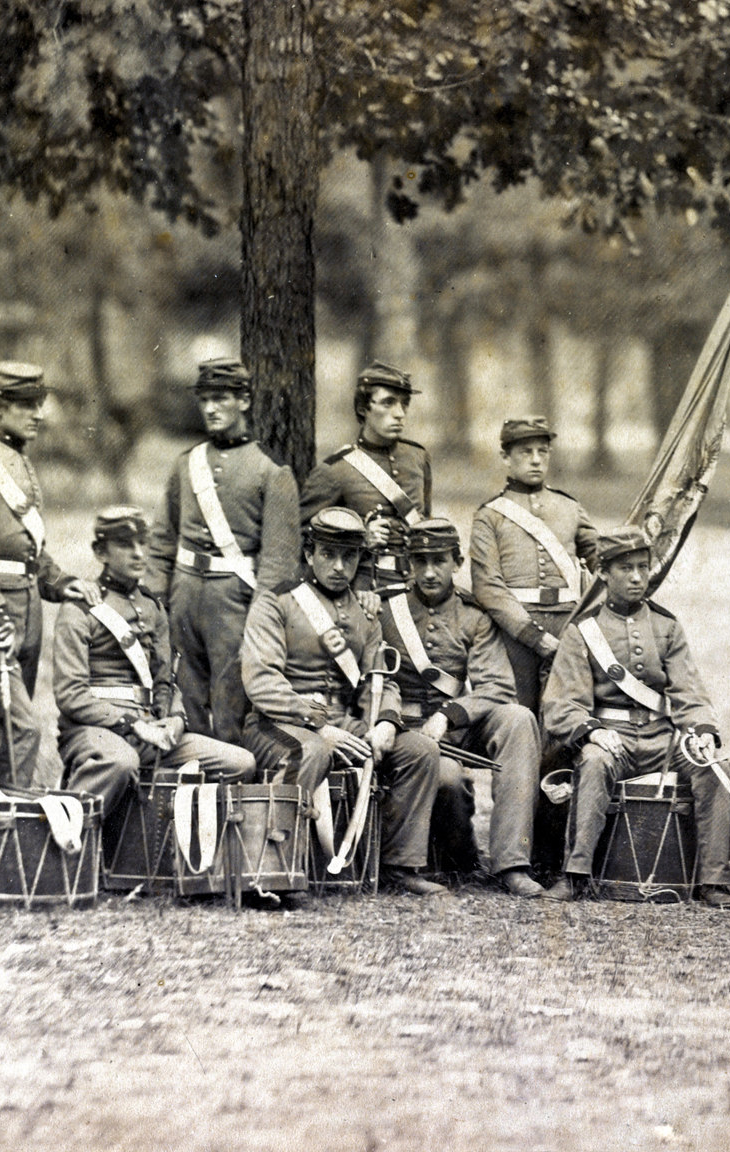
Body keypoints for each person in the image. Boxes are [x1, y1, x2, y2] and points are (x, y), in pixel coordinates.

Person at [239, 507, 446, 896]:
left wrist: (385, 722)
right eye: (328, 554)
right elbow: (261, 682)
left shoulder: (365, 612)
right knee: (311, 751)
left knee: (420, 751)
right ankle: (273, 867)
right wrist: (318, 723)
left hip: (343, 723)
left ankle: (398, 866)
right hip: (277, 723)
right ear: (309, 554)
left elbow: (379, 679)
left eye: (349, 557)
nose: (338, 566)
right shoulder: (275, 602)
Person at [541, 527, 730, 907]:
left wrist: (702, 731)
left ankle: (714, 880)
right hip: (610, 738)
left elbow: (689, 692)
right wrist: (593, 732)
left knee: (716, 767)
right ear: (603, 573)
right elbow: (562, 704)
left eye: (642, 568)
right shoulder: (583, 632)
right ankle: (575, 874)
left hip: (662, 740)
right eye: (625, 568)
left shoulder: (666, 626)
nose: (636, 577)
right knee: (594, 763)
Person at [51, 506, 255, 839]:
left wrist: (175, 719)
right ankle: (67, 841)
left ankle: (174, 853)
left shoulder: (152, 607)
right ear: (101, 552)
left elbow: (165, 682)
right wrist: (132, 724)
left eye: (142, 543)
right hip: (92, 730)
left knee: (239, 762)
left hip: (150, 731)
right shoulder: (78, 609)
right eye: (125, 544)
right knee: (121, 761)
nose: (138, 553)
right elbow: (70, 695)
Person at [0, 361, 95, 786]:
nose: (38, 414)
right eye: (26, 405)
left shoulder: (20, 462)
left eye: (39, 404)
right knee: (22, 729)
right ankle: (10, 815)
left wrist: (62, 583)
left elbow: (28, 551)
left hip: (27, 610)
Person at [378, 518, 547, 897]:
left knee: (518, 719)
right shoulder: (386, 609)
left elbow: (497, 686)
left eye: (439, 561)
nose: (429, 572)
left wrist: (448, 714)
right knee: (448, 779)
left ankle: (512, 863)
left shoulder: (473, 613)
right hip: (403, 728)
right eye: (420, 562)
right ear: (408, 564)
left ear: (457, 562)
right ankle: (460, 856)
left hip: (453, 726)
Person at [149, 357, 301, 746]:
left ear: (244, 401)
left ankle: (231, 776)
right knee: (182, 696)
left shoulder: (272, 470)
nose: (211, 409)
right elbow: (162, 539)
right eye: (205, 400)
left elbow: (279, 561)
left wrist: (261, 621)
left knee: (231, 701)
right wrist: (153, 602)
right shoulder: (186, 464)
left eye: (221, 399)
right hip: (183, 595)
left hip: (234, 601)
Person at [470, 417, 598, 714]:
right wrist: (533, 636)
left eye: (543, 451)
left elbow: (602, 563)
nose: (536, 460)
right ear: (505, 457)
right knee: (519, 713)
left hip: (568, 626)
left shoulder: (570, 507)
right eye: (526, 452)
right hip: (515, 633)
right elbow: (488, 586)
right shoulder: (490, 516)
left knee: (568, 712)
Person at [300, 361, 433, 594]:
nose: (400, 414)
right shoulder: (336, 470)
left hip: (418, 590)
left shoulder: (418, 457)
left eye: (404, 404)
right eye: (388, 403)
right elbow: (304, 540)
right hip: (364, 592)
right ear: (363, 408)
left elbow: (426, 523)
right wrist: (360, 539)